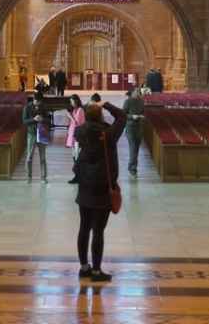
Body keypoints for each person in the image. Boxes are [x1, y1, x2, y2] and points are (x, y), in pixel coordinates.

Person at [74, 100, 126, 281]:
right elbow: (122, 116)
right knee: (98, 231)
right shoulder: (109, 134)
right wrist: (107, 105)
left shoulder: (80, 131)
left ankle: (83, 267)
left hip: (85, 186)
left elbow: (81, 131)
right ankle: (96, 271)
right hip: (103, 187)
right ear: (101, 116)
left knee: (84, 227)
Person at [23, 91, 51, 182]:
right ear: (33, 99)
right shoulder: (27, 107)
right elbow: (24, 121)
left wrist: (43, 119)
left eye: (39, 102)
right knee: (29, 157)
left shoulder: (44, 107)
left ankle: (43, 177)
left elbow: (49, 120)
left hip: (42, 134)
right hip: (32, 134)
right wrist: (33, 119)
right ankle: (29, 176)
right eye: (36, 101)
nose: (37, 103)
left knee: (42, 157)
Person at [122, 85, 145, 175]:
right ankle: (133, 168)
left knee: (136, 148)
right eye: (136, 91)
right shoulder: (128, 101)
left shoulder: (141, 101)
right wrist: (132, 116)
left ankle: (131, 166)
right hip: (130, 127)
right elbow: (123, 115)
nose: (138, 92)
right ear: (132, 93)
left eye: (138, 91)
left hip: (139, 127)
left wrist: (142, 116)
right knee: (133, 147)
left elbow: (143, 112)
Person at [65, 93, 85, 182]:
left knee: (77, 156)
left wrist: (70, 116)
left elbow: (78, 123)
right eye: (70, 102)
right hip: (72, 135)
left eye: (72, 102)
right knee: (74, 156)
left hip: (77, 136)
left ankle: (79, 176)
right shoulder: (74, 110)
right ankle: (77, 175)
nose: (71, 104)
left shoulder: (80, 110)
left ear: (76, 101)